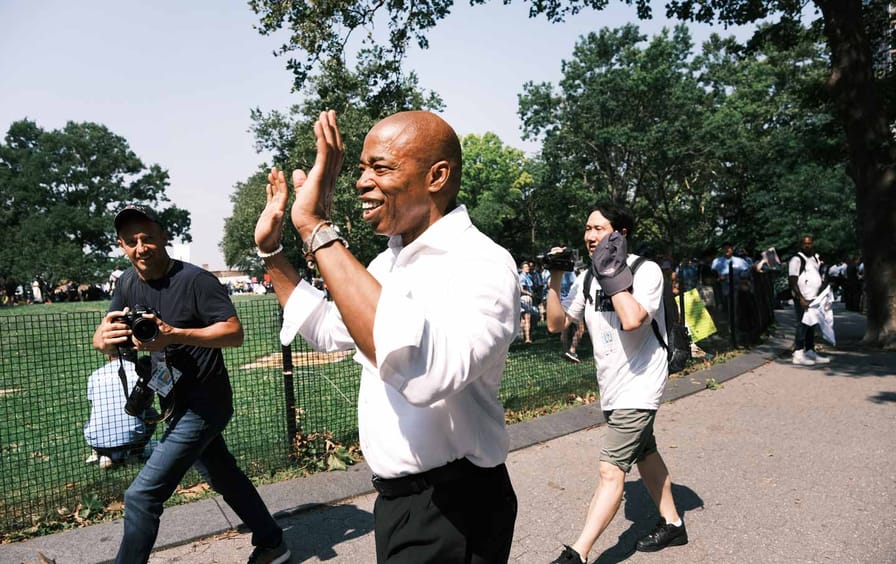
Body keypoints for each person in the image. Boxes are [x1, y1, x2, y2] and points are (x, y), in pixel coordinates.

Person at [253, 110, 519, 563]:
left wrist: (316, 228)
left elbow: (427, 375)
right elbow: (327, 329)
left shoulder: (482, 264)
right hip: (399, 505)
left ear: (436, 176)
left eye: (380, 167)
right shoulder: (386, 263)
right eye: (360, 169)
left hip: (456, 509)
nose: (361, 182)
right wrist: (271, 252)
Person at [91, 205, 288, 564]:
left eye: (148, 238)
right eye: (131, 241)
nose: (141, 248)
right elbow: (108, 336)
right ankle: (273, 542)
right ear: (121, 245)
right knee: (223, 475)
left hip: (205, 402)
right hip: (172, 402)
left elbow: (234, 333)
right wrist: (102, 340)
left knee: (141, 496)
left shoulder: (196, 280)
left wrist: (175, 335)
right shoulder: (126, 282)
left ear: (164, 236)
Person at [544, 201, 687, 563]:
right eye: (588, 229)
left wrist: (611, 272)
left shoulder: (645, 270)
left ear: (620, 234)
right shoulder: (587, 277)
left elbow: (632, 319)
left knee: (611, 469)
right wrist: (556, 276)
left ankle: (578, 553)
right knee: (645, 453)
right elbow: (556, 324)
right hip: (612, 384)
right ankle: (673, 524)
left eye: (599, 228)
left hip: (640, 383)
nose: (591, 236)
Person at [84, 352, 157, 469]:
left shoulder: (96, 374)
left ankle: (103, 455)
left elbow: (92, 402)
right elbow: (147, 404)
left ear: (109, 357)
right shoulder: (139, 372)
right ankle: (134, 454)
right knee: (152, 413)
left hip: (97, 441)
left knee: (91, 421)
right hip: (133, 439)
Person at [788, 235, 831, 366]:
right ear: (800, 245)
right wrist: (800, 298)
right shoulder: (796, 259)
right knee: (802, 324)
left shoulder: (813, 258)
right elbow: (792, 280)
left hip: (813, 298)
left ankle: (810, 351)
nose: (807, 245)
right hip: (803, 297)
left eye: (810, 243)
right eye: (805, 243)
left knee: (812, 324)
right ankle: (798, 353)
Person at [520, 261, 537, 343]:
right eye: (525, 267)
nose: (528, 268)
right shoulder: (522, 277)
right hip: (525, 298)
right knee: (527, 318)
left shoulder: (528, 276)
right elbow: (522, 289)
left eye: (528, 267)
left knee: (524, 319)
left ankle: (524, 336)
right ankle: (527, 338)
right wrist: (530, 293)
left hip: (527, 298)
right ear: (522, 268)